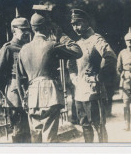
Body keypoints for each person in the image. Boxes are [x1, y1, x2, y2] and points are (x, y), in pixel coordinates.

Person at [17, 13, 82, 143]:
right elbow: (77, 51)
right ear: (47, 27)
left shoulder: (23, 49)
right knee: (50, 138)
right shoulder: (52, 45)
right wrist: (61, 35)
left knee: (36, 137)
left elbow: (20, 79)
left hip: (31, 96)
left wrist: (24, 99)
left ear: (32, 28)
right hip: (50, 94)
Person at [69, 9, 117, 142]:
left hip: (94, 90)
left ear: (86, 22)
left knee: (98, 125)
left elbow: (111, 57)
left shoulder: (96, 39)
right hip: (80, 91)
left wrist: (99, 77)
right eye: (73, 24)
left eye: (78, 23)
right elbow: (71, 64)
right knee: (84, 125)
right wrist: (73, 77)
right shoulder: (77, 43)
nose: (76, 27)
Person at [0, 10, 31, 143]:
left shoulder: (29, 47)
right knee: (19, 130)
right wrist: (9, 90)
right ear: (14, 31)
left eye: (28, 30)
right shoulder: (7, 49)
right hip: (15, 96)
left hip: (30, 92)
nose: (27, 33)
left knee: (31, 131)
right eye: (23, 30)